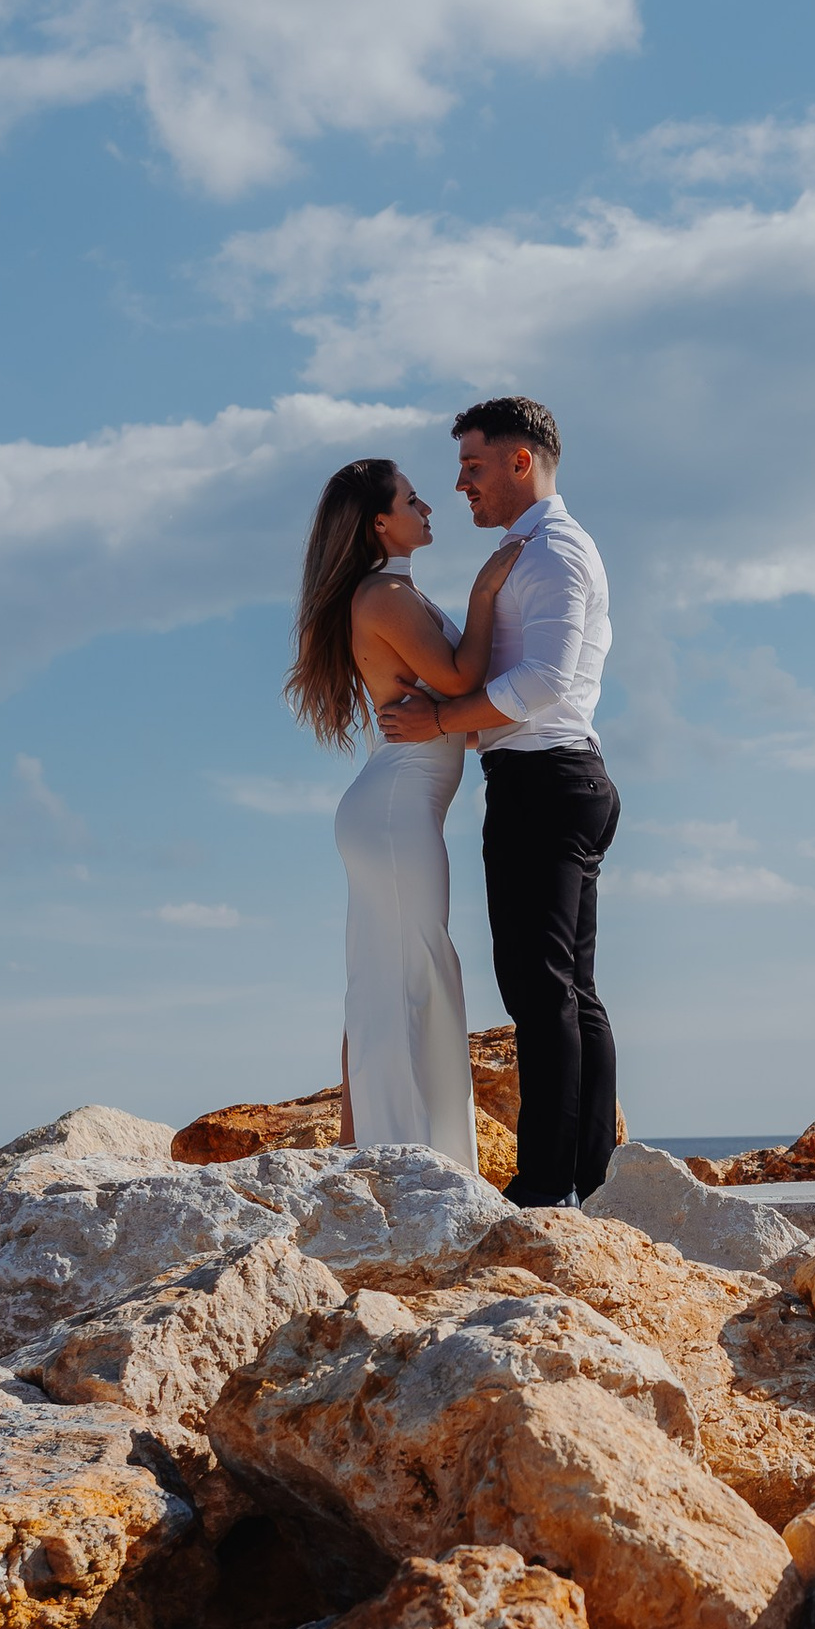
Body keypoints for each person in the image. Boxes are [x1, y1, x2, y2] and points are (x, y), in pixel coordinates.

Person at [373, 395, 618, 1207]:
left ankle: (549, 1186)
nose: (461, 484)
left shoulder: (552, 553)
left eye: (474, 466)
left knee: (541, 989)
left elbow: (544, 683)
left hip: (545, 782)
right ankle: (588, 1177)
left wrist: (442, 719)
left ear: (522, 461)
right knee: (567, 989)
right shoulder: (530, 550)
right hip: (552, 776)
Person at [285, 454, 515, 1176]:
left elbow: (451, 707)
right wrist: (484, 596)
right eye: (414, 501)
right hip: (395, 808)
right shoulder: (383, 596)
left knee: (392, 978)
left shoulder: (390, 593)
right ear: (380, 521)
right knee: (411, 972)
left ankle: (373, 1157)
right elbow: (457, 679)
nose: (429, 509)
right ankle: (409, 1162)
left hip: (395, 806)